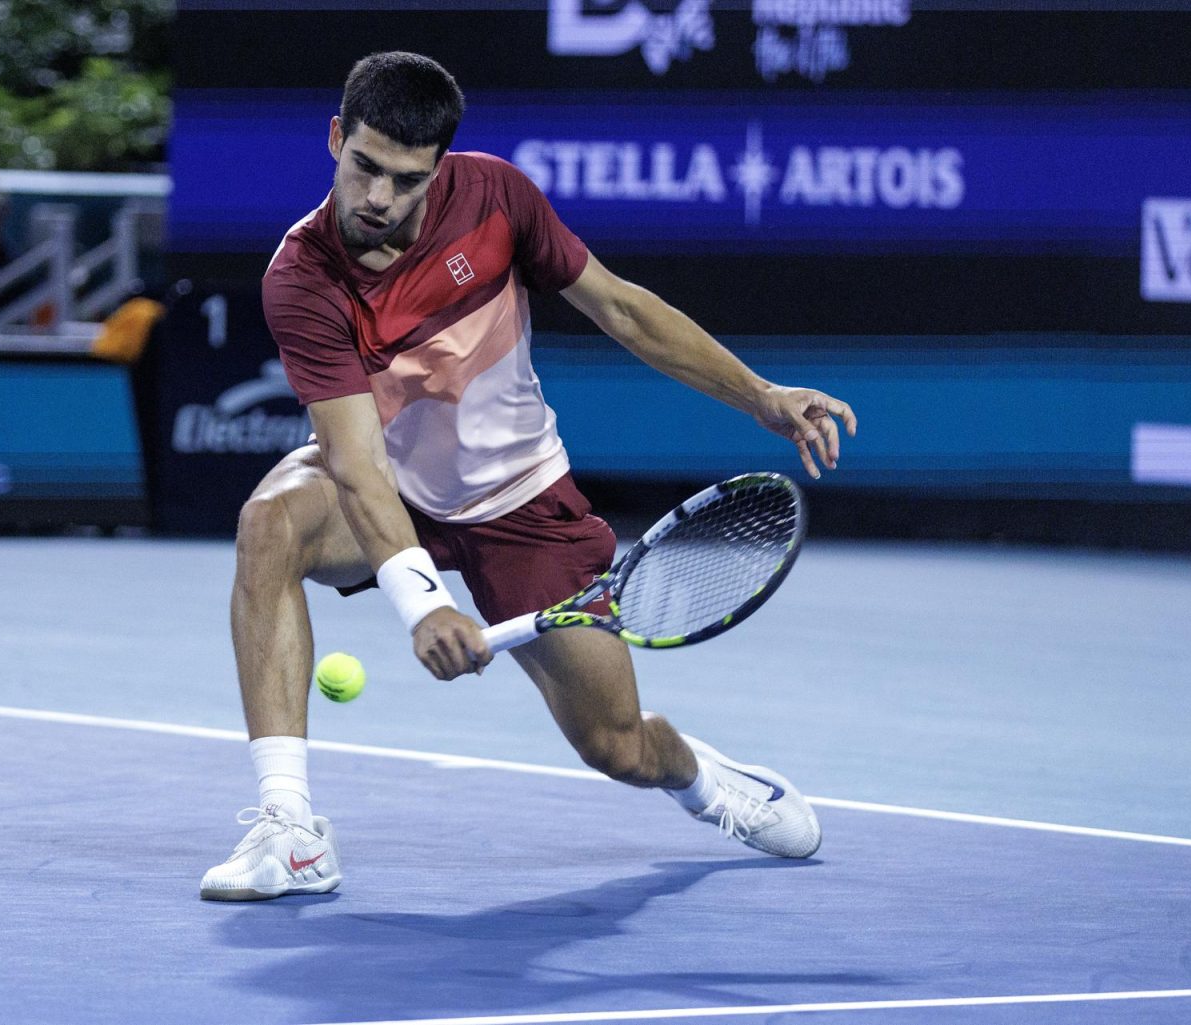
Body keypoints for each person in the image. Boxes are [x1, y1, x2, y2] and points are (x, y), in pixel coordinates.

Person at [200, 52, 857, 901]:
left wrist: (760, 396)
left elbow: (619, 306)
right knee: (270, 523)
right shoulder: (300, 279)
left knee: (617, 745)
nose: (378, 198)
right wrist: (423, 600)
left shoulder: (497, 199)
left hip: (521, 500)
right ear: (335, 139)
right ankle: (290, 829)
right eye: (364, 167)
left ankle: (702, 777)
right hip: (394, 487)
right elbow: (358, 464)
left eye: (405, 180)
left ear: (438, 170)